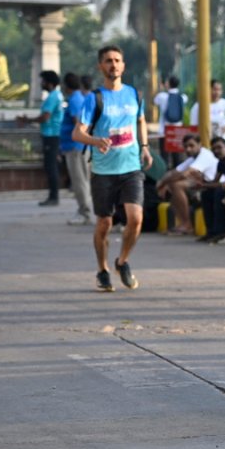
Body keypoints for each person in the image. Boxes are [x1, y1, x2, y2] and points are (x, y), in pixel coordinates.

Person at [70, 45, 151, 292]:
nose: (113, 64)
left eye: (117, 60)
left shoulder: (134, 94)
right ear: (100, 66)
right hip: (103, 171)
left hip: (131, 167)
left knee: (136, 219)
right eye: (108, 61)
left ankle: (122, 261)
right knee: (104, 223)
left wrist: (145, 147)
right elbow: (77, 133)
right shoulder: (94, 99)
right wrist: (96, 141)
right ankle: (103, 269)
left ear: (123, 66)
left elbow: (141, 120)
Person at [156, 133, 218, 236]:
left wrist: (162, 183)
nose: (188, 149)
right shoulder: (192, 158)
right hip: (201, 186)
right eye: (186, 147)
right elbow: (174, 172)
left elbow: (185, 174)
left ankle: (187, 224)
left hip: (213, 186)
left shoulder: (205, 155)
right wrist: (163, 183)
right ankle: (182, 223)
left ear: (200, 144)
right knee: (171, 186)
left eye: (191, 145)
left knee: (176, 185)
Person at [23, 70, 64, 207]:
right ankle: (53, 196)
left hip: (51, 135)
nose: (41, 84)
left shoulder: (52, 97)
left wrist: (28, 120)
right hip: (54, 135)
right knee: (52, 165)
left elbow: (45, 117)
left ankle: (53, 197)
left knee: (51, 166)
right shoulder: (57, 95)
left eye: (43, 81)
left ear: (49, 83)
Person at [59, 72, 93, 225]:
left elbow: (78, 122)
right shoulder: (79, 98)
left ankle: (84, 212)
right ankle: (85, 210)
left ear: (66, 86)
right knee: (82, 180)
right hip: (78, 145)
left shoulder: (75, 100)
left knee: (79, 181)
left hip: (76, 147)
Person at [207, 80, 225, 148]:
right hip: (208, 139)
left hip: (224, 140)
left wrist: (223, 129)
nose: (217, 92)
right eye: (214, 89)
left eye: (219, 90)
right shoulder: (201, 106)